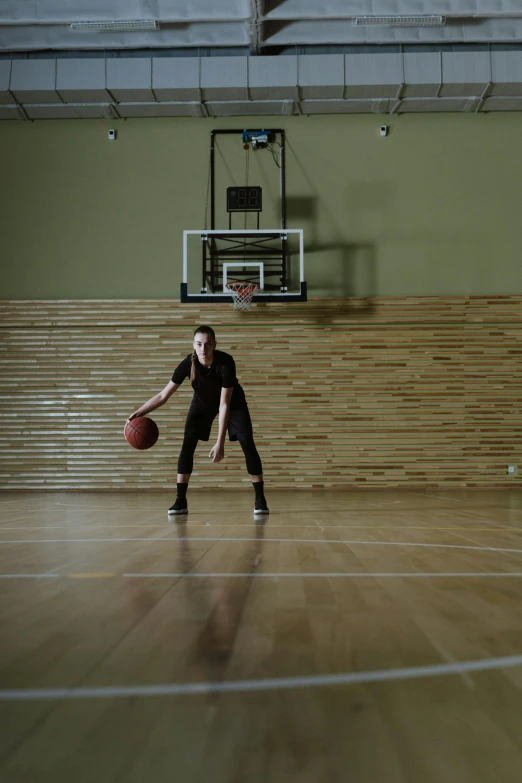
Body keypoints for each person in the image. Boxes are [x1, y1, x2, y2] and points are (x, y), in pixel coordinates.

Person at [125, 325, 269, 517]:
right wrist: (136, 413)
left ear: (214, 345)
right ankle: (180, 501)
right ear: (193, 345)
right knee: (188, 442)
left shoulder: (226, 362)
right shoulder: (188, 363)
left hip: (233, 403)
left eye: (208, 344)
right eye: (199, 344)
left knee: (247, 442)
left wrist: (220, 443)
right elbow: (163, 395)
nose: (203, 349)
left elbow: (224, 405)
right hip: (203, 402)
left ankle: (260, 499)